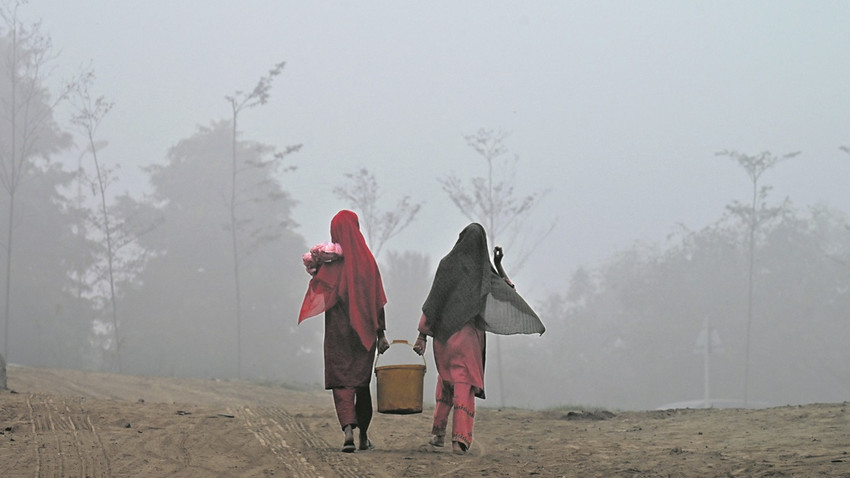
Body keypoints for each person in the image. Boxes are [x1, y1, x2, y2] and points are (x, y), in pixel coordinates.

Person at [413, 223, 545, 455]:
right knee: (463, 384)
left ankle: (437, 432)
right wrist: (499, 265)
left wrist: (422, 333)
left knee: (446, 381)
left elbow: (433, 301)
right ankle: (459, 440)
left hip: (444, 339)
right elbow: (508, 292)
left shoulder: (447, 265)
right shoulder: (483, 272)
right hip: (468, 341)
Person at [299, 210, 390, 453]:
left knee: (342, 382)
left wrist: (316, 264)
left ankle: (348, 431)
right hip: (364, 334)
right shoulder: (368, 263)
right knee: (361, 383)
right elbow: (377, 301)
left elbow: (317, 290)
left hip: (338, 334)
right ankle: (364, 437)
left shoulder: (330, 266)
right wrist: (381, 334)